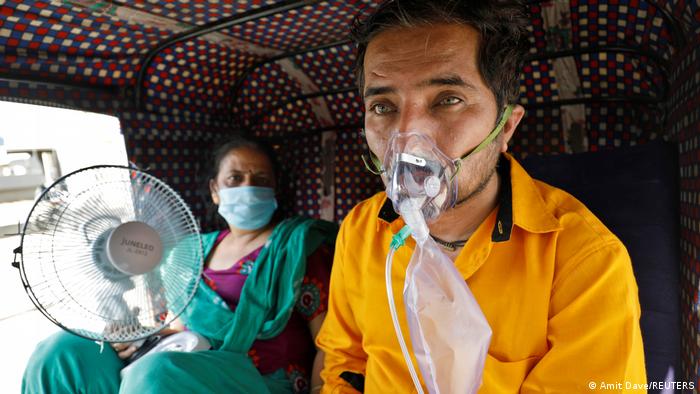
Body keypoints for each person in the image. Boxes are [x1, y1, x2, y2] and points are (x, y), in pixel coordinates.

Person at [316, 1, 646, 392]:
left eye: (447, 99)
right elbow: (344, 364)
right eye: (383, 106)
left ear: (505, 126)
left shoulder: (583, 260)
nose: (407, 137)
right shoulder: (360, 230)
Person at [23, 136, 337, 394]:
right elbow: (182, 327)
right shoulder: (191, 251)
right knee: (62, 351)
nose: (247, 187)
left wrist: (322, 389)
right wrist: (135, 337)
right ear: (215, 190)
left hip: (256, 378)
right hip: (184, 359)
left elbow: (330, 340)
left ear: (275, 190)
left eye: (260, 179)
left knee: (156, 376)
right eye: (235, 179)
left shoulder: (296, 248)